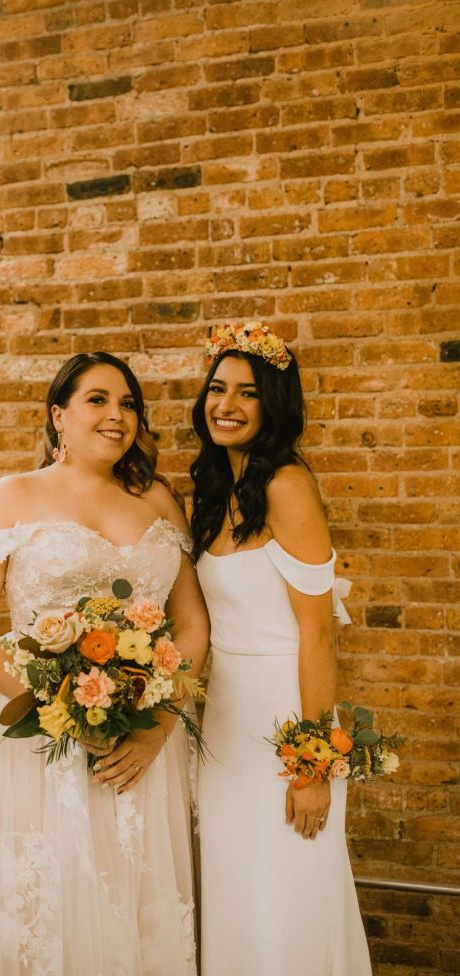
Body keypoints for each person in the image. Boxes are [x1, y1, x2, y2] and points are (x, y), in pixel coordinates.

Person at [0, 351, 209, 976]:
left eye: (128, 404)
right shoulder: (13, 495)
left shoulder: (157, 499)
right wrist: (67, 710)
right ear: (58, 416)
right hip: (37, 737)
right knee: (46, 901)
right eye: (97, 400)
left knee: (131, 895)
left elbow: (192, 625)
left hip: (142, 734)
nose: (117, 415)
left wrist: (158, 728)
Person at [192, 322, 371, 976]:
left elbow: (318, 633)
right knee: (237, 892)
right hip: (226, 723)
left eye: (248, 393)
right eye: (218, 389)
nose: (227, 405)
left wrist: (312, 765)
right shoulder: (217, 489)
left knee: (290, 895)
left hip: (285, 721)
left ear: (274, 405)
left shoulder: (287, 486)